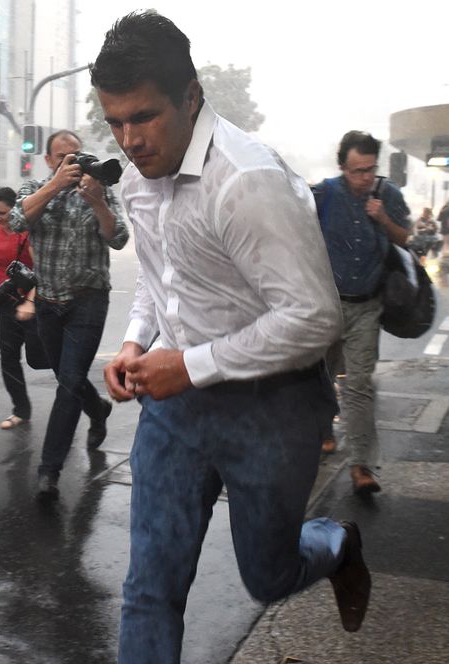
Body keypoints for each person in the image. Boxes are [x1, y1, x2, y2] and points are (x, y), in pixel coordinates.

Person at [90, 12, 372, 663]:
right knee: (148, 590)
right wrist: (136, 342)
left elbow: (311, 319)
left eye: (144, 116)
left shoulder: (248, 183)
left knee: (266, 576)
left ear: (190, 96)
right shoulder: (136, 173)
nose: (129, 140)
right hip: (175, 407)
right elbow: (162, 278)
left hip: (273, 408)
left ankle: (335, 545)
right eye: (115, 121)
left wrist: (188, 365)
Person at [8, 130, 129, 499]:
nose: (72, 162)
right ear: (48, 161)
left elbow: (119, 237)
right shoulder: (34, 186)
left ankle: (49, 471)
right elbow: (16, 221)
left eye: (76, 155)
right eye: (62, 157)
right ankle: (97, 409)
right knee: (69, 378)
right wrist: (55, 185)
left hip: (89, 301)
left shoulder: (97, 187)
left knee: (68, 381)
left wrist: (97, 202)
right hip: (48, 302)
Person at [312, 131, 410, 494]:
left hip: (367, 305)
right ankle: (323, 430)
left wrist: (383, 218)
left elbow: (405, 238)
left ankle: (361, 466)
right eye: (357, 171)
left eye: (370, 170)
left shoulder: (388, 195)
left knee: (359, 385)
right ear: (342, 168)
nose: (364, 178)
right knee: (320, 375)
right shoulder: (323, 195)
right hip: (327, 304)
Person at [0, 187, 36, 429]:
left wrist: (31, 302)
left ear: (14, 208)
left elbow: (43, 269)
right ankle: (20, 409)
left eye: (2, 213)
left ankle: (89, 404)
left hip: (35, 304)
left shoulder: (27, 231)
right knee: (9, 359)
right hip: (6, 303)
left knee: (52, 361)